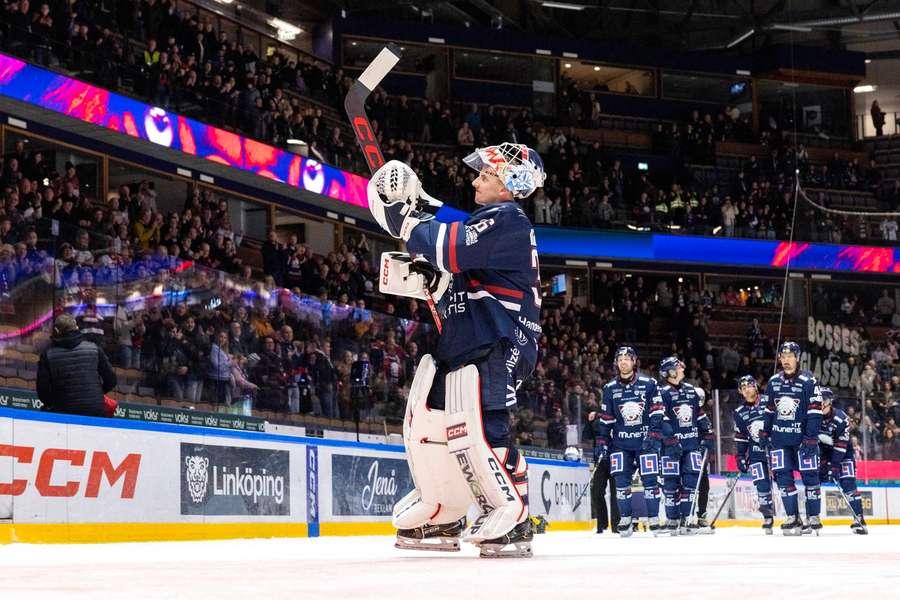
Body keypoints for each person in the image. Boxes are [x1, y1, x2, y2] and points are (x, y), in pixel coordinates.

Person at [369, 143, 545, 558]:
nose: (475, 179)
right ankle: (442, 511)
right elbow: (451, 252)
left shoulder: (509, 220)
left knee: (482, 424)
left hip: (500, 340)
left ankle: (513, 516)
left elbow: (451, 246)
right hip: (468, 338)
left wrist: (406, 217)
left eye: (485, 175)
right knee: (428, 424)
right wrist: (425, 254)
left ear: (509, 184)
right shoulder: (490, 222)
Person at [592, 346, 664, 537]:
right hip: (620, 444)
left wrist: (654, 435)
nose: (623, 361)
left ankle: (654, 517)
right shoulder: (609, 388)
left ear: (634, 361)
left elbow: (657, 411)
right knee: (621, 482)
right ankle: (625, 518)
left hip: (645, 442)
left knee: (650, 481)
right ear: (616, 363)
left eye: (627, 358)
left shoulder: (649, 383)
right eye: (620, 358)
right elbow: (606, 418)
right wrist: (602, 441)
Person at [762, 341, 823, 536]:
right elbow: (769, 409)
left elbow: (815, 411)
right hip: (780, 440)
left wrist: (811, 438)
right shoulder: (773, 382)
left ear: (797, 358)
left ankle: (813, 516)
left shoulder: (808, 381)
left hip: (803, 440)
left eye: (790, 356)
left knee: (810, 476)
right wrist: (765, 431)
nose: (786, 360)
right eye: (783, 356)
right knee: (783, 477)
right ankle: (792, 516)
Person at [658, 356, 715, 535]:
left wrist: (707, 431)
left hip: (691, 446)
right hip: (670, 447)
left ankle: (686, 518)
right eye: (678, 367)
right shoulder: (662, 393)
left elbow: (698, 414)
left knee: (691, 482)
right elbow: (660, 419)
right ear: (670, 372)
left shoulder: (691, 390)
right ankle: (672, 519)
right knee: (670, 484)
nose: (682, 368)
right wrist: (670, 439)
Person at [36, 314, 117, 417]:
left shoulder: (47, 355)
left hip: (63, 411)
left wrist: (54, 403)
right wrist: (97, 393)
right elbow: (112, 380)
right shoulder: (94, 349)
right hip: (95, 410)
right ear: (76, 327)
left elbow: (43, 392)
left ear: (56, 331)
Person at [818, 387, 867, 534]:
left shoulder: (841, 418)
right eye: (818, 400)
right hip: (824, 454)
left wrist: (834, 468)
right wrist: (822, 462)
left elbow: (841, 446)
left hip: (844, 454)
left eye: (823, 400)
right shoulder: (813, 417)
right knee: (813, 482)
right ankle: (811, 517)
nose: (820, 403)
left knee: (848, 483)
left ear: (829, 402)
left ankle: (859, 518)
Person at [733, 375, 775, 534]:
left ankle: (793, 516)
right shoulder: (739, 412)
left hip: (775, 451)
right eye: (743, 388)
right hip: (756, 455)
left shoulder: (769, 401)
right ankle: (767, 516)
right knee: (762, 485)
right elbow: (741, 436)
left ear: (755, 386)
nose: (746, 390)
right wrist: (740, 456)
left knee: (784, 482)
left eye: (749, 386)